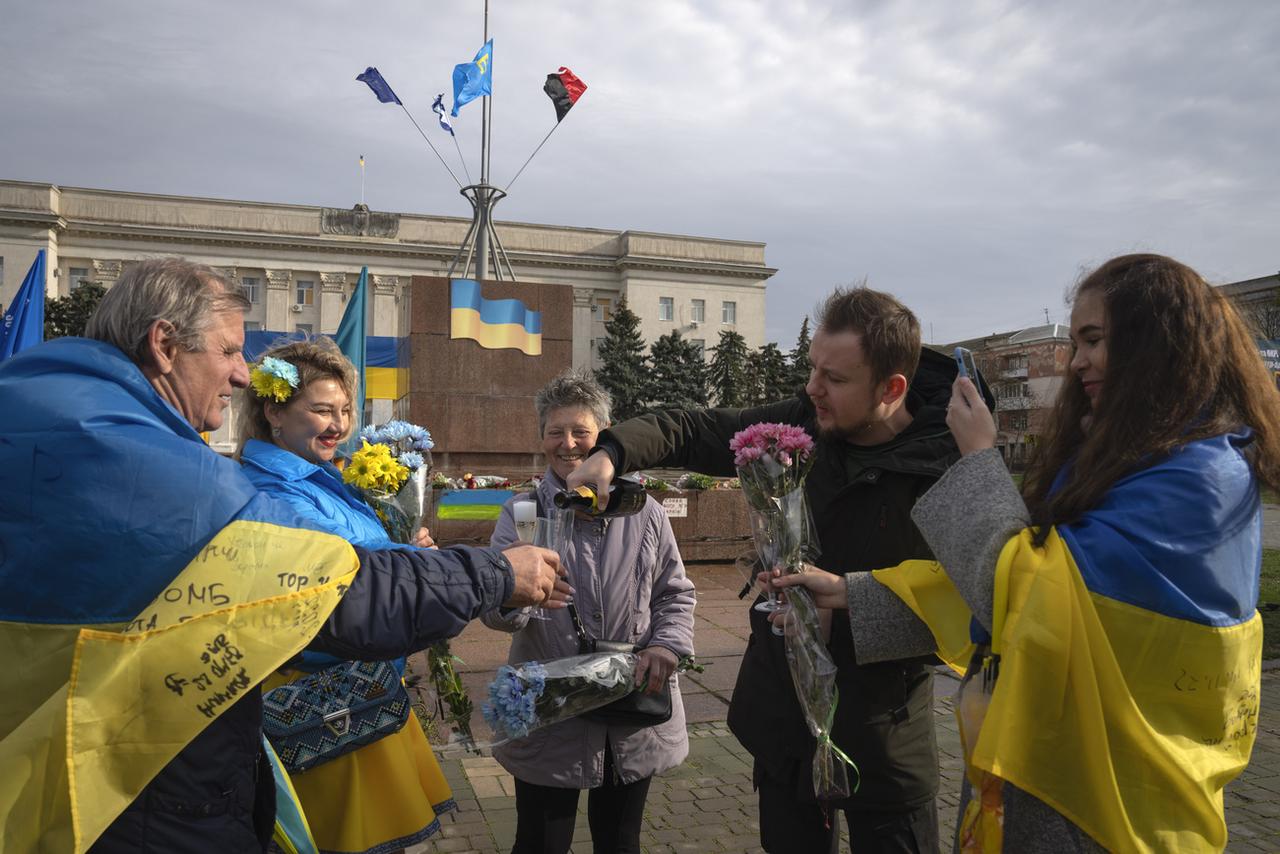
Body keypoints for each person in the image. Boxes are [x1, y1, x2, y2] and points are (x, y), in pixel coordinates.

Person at [0, 258, 567, 853]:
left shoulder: (45, 411)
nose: (243, 375)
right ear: (164, 344)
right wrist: (495, 573)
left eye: (344, 412)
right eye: (228, 352)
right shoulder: (150, 468)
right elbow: (342, 594)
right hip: (122, 790)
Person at [773, 254, 1280, 851]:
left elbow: (1021, 596)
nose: (1077, 359)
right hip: (1063, 775)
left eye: (1094, 339)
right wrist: (856, 594)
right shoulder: (1139, 459)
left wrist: (979, 460)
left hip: (1109, 798)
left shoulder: (1194, 481)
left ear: (1157, 345)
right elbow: (1046, 581)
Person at [570, 287, 971, 853]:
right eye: (813, 369)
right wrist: (612, 451)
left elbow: (972, 615)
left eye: (834, 378)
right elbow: (696, 429)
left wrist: (844, 611)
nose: (812, 389)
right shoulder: (804, 424)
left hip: (883, 738)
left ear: (892, 388)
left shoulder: (950, 466)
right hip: (785, 728)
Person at [236, 336, 456, 854]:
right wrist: (420, 565)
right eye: (320, 410)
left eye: (344, 410)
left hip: (360, 694)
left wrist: (406, 546)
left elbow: (374, 555)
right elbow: (348, 572)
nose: (338, 425)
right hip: (321, 710)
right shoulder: (272, 492)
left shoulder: (323, 477)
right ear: (274, 411)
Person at [482, 369, 696, 854]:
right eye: (556, 431)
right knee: (540, 841)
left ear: (604, 439)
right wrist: (515, 597)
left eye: (582, 432)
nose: (569, 444)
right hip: (550, 707)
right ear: (542, 438)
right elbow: (493, 609)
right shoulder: (523, 513)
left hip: (631, 701)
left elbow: (674, 593)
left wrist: (667, 645)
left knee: (621, 841)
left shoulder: (643, 510)